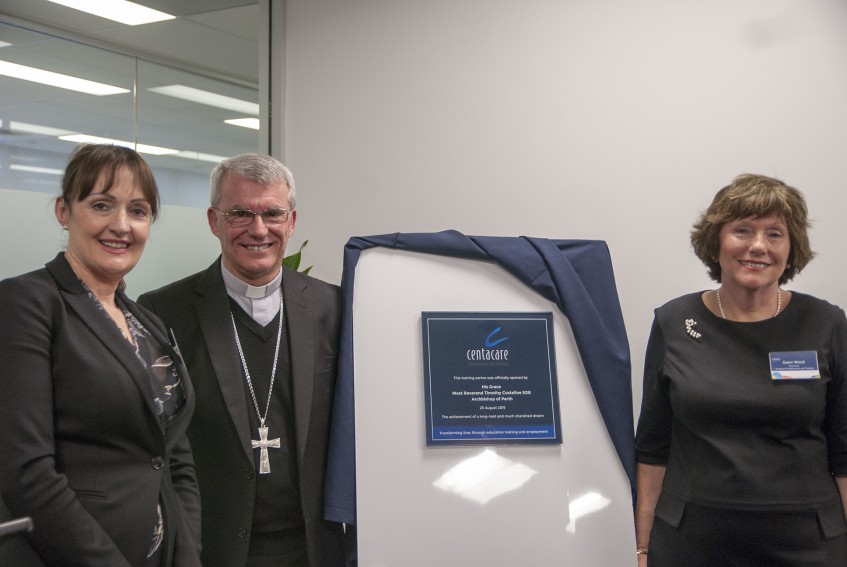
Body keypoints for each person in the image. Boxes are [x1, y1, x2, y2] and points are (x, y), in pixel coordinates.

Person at [138, 153, 345, 567]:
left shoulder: (333, 307)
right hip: (211, 548)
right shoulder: (164, 311)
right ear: (214, 221)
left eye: (272, 213)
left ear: (291, 222)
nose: (258, 229)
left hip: (314, 548)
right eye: (240, 213)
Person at [0, 144, 201, 566]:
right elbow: (27, 472)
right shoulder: (28, 303)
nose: (121, 225)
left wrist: (188, 552)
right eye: (101, 205)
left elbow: (175, 457)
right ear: (63, 211)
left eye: (139, 210)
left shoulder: (149, 323)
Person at [634, 173, 847, 565]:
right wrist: (644, 548)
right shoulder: (674, 322)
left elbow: (845, 453)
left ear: (791, 247)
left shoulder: (827, 324)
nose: (757, 247)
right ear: (716, 242)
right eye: (743, 230)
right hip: (691, 545)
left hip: (808, 547)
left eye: (775, 234)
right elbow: (652, 448)